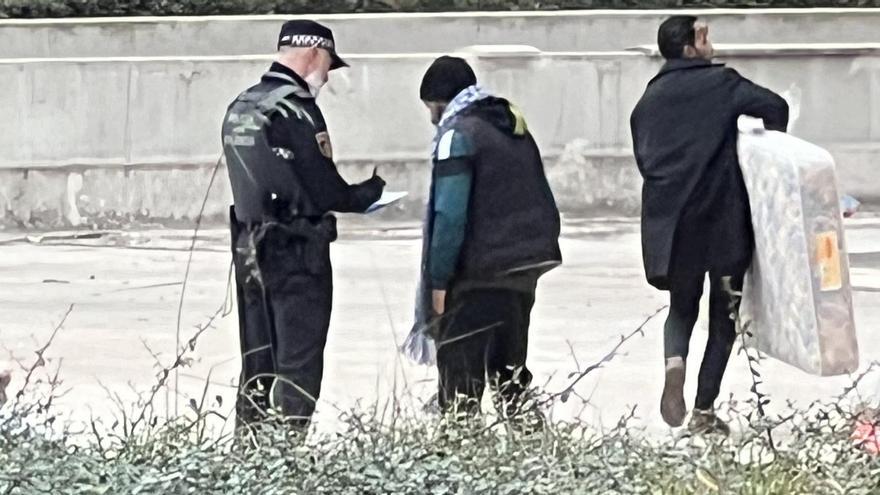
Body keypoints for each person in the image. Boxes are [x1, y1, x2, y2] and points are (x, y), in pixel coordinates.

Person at [221, 20, 385, 434]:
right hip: (296, 252)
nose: (327, 76)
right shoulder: (296, 108)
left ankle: (247, 456)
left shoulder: (243, 104)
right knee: (298, 364)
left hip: (248, 249)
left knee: (258, 361)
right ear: (314, 53)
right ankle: (286, 459)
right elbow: (324, 187)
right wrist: (368, 193)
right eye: (329, 63)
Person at [630, 16, 789, 435]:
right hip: (722, 225)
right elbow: (776, 107)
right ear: (688, 47)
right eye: (703, 36)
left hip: (674, 228)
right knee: (724, 317)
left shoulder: (648, 101)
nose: (709, 42)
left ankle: (673, 364)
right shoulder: (722, 85)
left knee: (681, 309)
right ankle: (702, 410)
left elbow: (646, 162)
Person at [413, 56, 561, 421]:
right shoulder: (511, 127)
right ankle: (538, 464)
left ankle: (459, 462)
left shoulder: (458, 135)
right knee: (511, 380)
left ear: (440, 101)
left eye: (432, 108)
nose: (433, 119)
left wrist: (438, 282)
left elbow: (448, 215)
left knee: (460, 388)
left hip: (476, 277)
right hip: (521, 271)